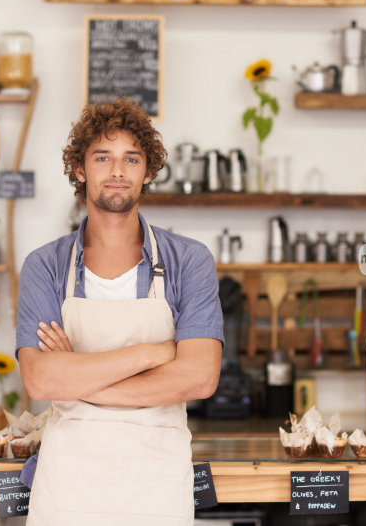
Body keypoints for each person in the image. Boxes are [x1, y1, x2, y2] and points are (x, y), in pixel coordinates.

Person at [15, 98, 224, 526]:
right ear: (80, 169)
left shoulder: (190, 260)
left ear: (147, 171)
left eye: (131, 158)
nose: (116, 171)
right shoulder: (46, 266)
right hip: (68, 485)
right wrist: (154, 353)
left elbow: (200, 377)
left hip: (158, 486)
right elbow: (40, 379)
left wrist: (78, 378)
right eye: (102, 157)